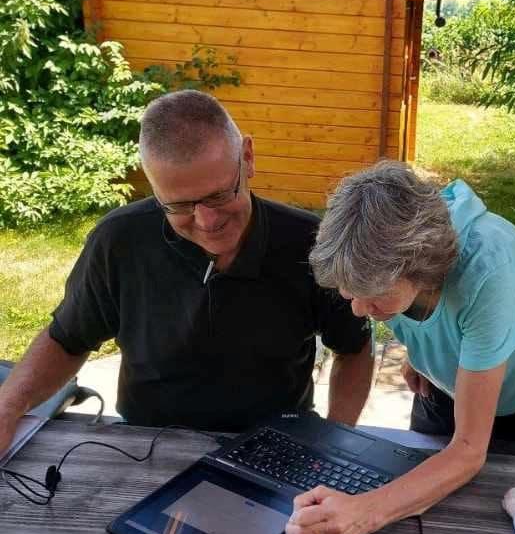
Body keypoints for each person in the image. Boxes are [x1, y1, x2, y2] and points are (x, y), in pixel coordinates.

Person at [0, 91, 373, 453]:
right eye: (179, 205)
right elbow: (68, 339)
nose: (207, 222)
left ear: (248, 158)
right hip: (146, 445)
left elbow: (354, 349)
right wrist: (7, 407)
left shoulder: (311, 242)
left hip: (276, 447)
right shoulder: (119, 241)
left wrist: (333, 440)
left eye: (219, 195)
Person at [284, 161, 515, 534]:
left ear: (422, 269)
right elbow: (422, 310)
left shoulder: (489, 269)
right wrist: (423, 352)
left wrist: (362, 514)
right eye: (350, 293)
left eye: (372, 294)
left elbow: (469, 452)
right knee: (429, 493)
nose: (356, 309)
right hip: (443, 383)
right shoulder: (388, 264)